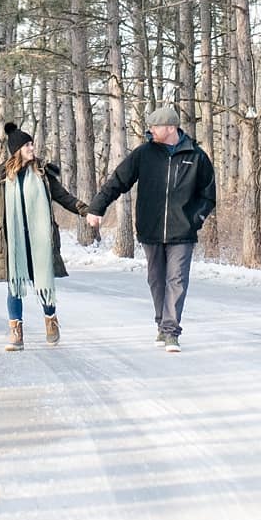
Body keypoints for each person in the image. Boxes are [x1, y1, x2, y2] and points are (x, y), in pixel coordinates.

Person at [85, 104, 215, 353]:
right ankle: (161, 322)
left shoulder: (196, 156)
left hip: (183, 232)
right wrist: (97, 207)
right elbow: (118, 181)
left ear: (170, 128)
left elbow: (208, 195)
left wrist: (194, 219)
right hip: (150, 228)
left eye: (155, 127)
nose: (150, 130)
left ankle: (171, 331)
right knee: (156, 279)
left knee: (176, 279)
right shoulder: (144, 154)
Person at [0, 121, 91, 351]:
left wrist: (85, 210)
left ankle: (51, 321)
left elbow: (64, 197)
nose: (32, 148)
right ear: (17, 149)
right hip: (13, 243)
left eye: (32, 144)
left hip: (38, 242)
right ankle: (16, 333)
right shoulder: (2, 180)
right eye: (27, 145)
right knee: (13, 286)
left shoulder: (43, 175)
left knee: (42, 282)